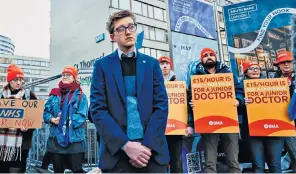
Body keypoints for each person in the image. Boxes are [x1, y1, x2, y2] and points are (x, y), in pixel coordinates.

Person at [90, 10, 169, 173]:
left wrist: (145, 147)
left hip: (151, 153)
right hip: (117, 155)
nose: (127, 31)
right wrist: (126, 145)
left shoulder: (152, 65)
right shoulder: (102, 66)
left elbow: (161, 107)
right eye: (121, 28)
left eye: (131, 27)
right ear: (112, 36)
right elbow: (98, 110)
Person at [187, 48, 244, 173]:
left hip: (229, 120)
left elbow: (239, 90)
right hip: (208, 121)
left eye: (211, 54)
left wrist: (238, 100)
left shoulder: (228, 73)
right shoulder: (195, 77)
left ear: (216, 57)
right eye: (205, 55)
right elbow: (190, 97)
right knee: (209, 162)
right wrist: (192, 103)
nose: (209, 57)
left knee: (233, 161)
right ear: (201, 59)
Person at [43, 66, 88, 173]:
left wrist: (65, 120)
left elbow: (82, 116)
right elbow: (45, 113)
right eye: (63, 75)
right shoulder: (54, 95)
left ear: (74, 78)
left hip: (74, 141)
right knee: (57, 170)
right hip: (56, 141)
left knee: (77, 170)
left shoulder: (81, 95)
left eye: (68, 75)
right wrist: (53, 119)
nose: (65, 77)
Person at [242, 61, 284, 173]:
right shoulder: (240, 87)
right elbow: (235, 109)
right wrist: (242, 102)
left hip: (273, 130)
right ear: (245, 72)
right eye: (251, 68)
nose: (255, 70)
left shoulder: (272, 85)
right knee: (258, 165)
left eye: (257, 68)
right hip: (253, 132)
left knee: (275, 164)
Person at [0, 64, 37, 173]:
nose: (19, 82)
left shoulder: (29, 95)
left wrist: (29, 127)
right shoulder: (1, 95)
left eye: (21, 80)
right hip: (2, 144)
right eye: (16, 79)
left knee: (17, 170)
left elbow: (36, 116)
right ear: (9, 80)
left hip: (22, 143)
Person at [158, 56, 183, 173]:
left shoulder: (178, 83)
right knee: (160, 159)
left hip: (176, 128)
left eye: (166, 63)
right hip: (159, 128)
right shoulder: (155, 82)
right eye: (162, 63)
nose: (164, 66)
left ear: (170, 66)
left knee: (176, 160)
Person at [273, 51, 296, 172]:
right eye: (283, 62)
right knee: (293, 150)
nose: (286, 65)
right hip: (285, 119)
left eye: (289, 62)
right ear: (278, 65)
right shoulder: (272, 80)